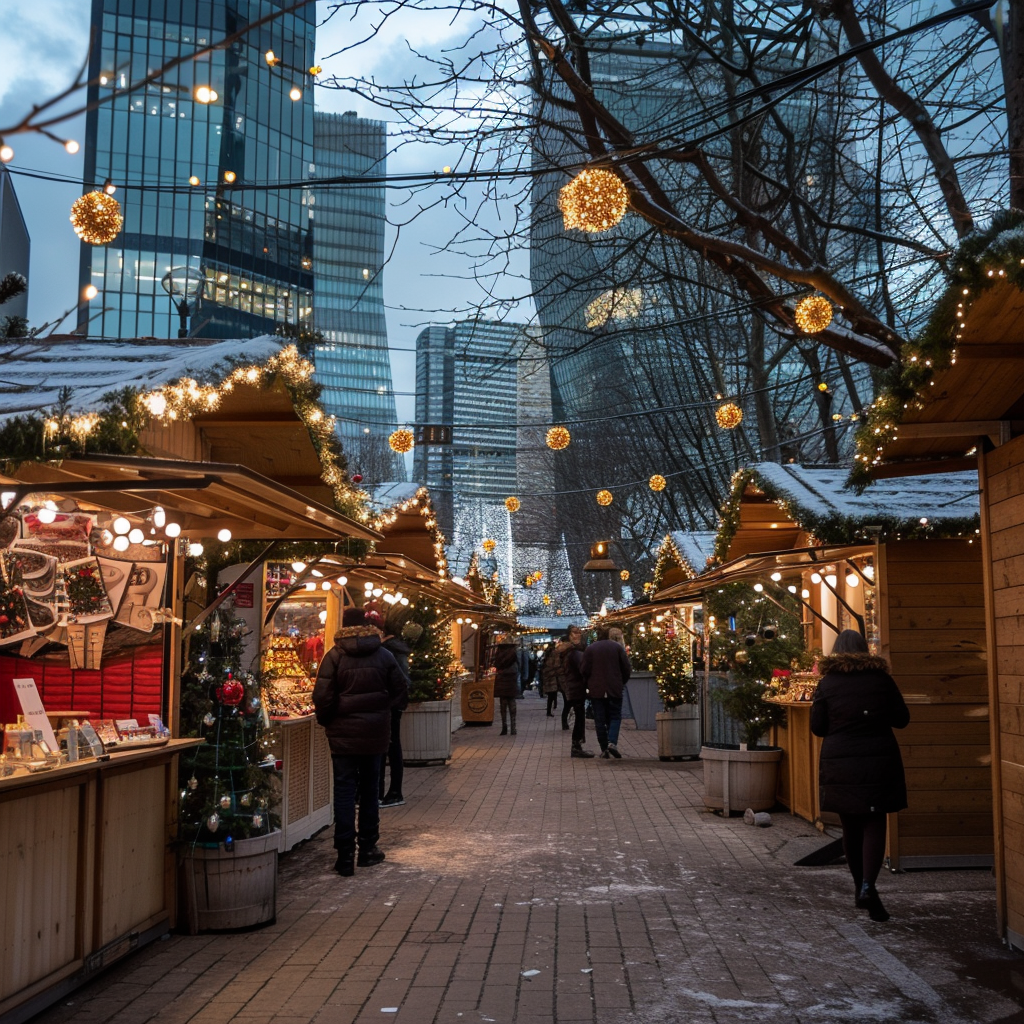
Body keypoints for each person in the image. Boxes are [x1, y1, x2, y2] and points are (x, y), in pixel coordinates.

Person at [810, 629, 910, 922]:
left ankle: (860, 889)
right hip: (878, 759)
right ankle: (868, 885)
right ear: (865, 650)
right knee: (874, 821)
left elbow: (818, 727)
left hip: (840, 762)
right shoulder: (882, 680)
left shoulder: (827, 683)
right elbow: (902, 719)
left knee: (850, 826)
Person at [313, 607, 408, 876]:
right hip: (375, 734)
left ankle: (344, 857)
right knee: (369, 790)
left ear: (342, 627)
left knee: (344, 792)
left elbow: (322, 696)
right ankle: (367, 850)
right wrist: (384, 712)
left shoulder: (334, 657)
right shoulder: (384, 654)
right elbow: (401, 690)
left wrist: (329, 720)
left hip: (342, 737)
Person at [379, 620, 417, 808]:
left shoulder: (387, 651)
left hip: (389, 705)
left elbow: (397, 679)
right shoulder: (399, 649)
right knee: (393, 747)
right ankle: (393, 791)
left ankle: (391, 792)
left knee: (388, 747)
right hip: (395, 704)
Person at [582, 624, 632, 758]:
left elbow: (584, 670)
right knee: (615, 716)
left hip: (596, 689)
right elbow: (626, 667)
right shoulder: (617, 648)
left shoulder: (590, 649)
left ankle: (604, 748)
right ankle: (612, 742)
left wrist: (588, 684)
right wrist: (621, 682)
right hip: (614, 688)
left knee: (599, 719)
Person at [555, 625, 594, 758]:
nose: (577, 635)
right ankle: (576, 746)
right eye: (574, 633)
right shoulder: (573, 652)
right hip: (576, 686)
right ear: (569, 635)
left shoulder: (570, 650)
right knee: (579, 716)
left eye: (579, 633)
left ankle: (577, 745)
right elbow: (583, 668)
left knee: (579, 715)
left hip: (573, 686)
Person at [493, 637, 521, 735]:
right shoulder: (514, 653)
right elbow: (519, 665)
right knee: (512, 702)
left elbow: (495, 663)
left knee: (503, 703)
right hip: (511, 678)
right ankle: (513, 727)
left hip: (501, 678)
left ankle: (504, 727)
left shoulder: (499, 652)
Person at [539, 646, 560, 717]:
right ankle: (550, 710)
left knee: (551, 696)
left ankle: (550, 709)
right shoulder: (552, 659)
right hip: (552, 679)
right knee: (552, 695)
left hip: (548, 679)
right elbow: (555, 667)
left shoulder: (546, 658)